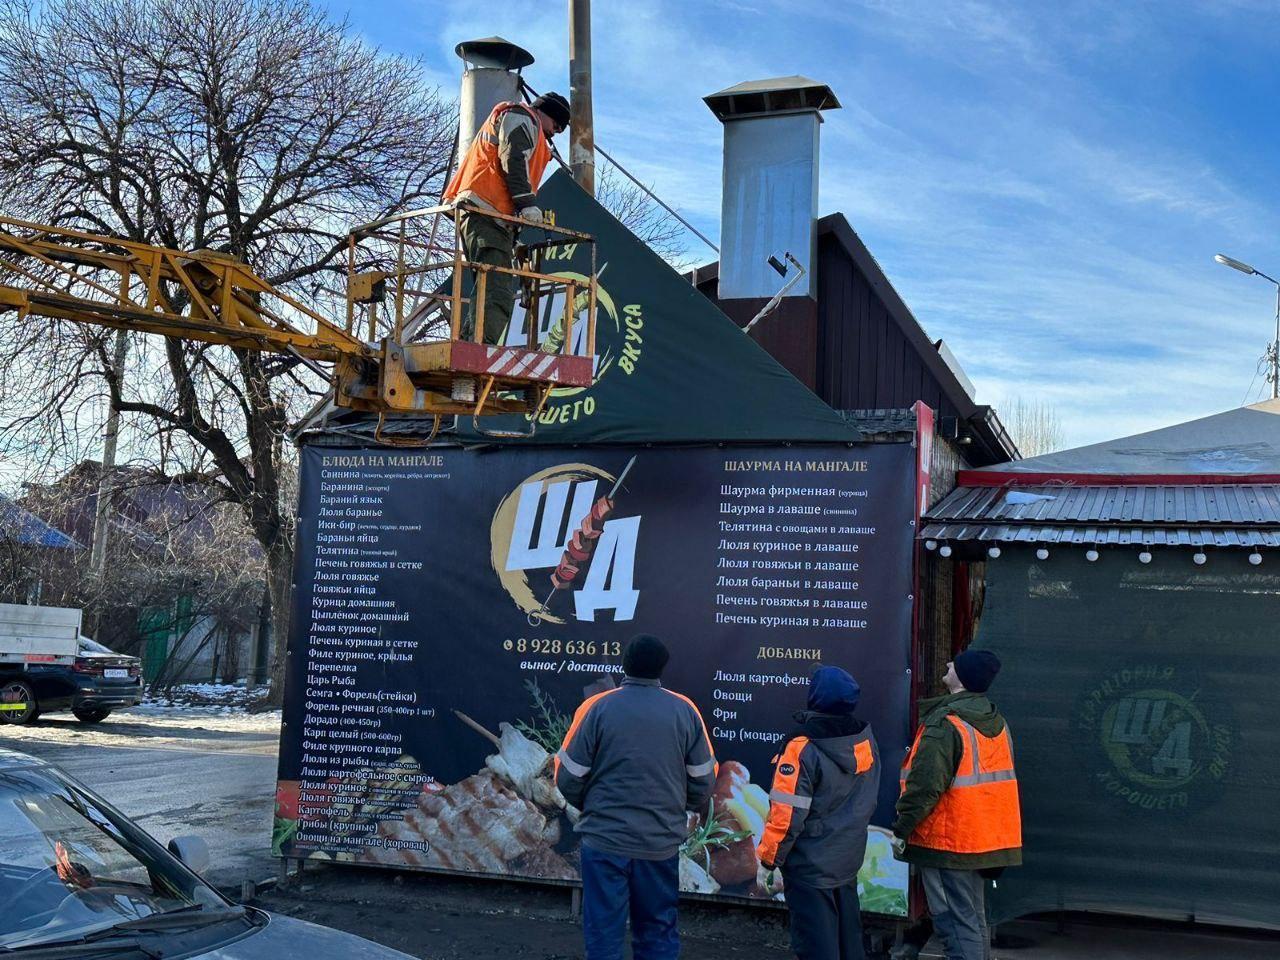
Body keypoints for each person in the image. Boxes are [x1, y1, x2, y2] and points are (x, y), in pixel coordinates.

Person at [554, 634, 717, 960]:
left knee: (603, 935)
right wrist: (675, 807)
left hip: (604, 843)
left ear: (625, 665)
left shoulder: (597, 707)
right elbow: (703, 782)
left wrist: (594, 807)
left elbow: (567, 777)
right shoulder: (685, 711)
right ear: (661, 668)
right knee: (657, 933)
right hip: (658, 846)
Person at [893, 650, 1021, 960]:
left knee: (953, 923)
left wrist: (902, 829)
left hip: (947, 841)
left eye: (955, 664)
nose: (948, 664)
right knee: (972, 919)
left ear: (962, 679)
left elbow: (925, 787)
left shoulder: (946, 724)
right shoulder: (996, 720)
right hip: (982, 838)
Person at [757, 666, 881, 960]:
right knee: (849, 943)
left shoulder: (802, 747)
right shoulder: (864, 738)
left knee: (817, 946)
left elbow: (787, 815)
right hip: (846, 858)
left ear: (815, 697)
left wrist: (768, 859)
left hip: (810, 866)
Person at [443, 92, 571, 345]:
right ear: (547, 113)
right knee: (497, 290)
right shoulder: (522, 117)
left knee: (488, 286)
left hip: (487, 214)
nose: (556, 132)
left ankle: (470, 345)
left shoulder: (523, 122)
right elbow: (512, 157)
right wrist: (526, 204)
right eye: (558, 125)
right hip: (485, 211)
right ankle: (478, 350)